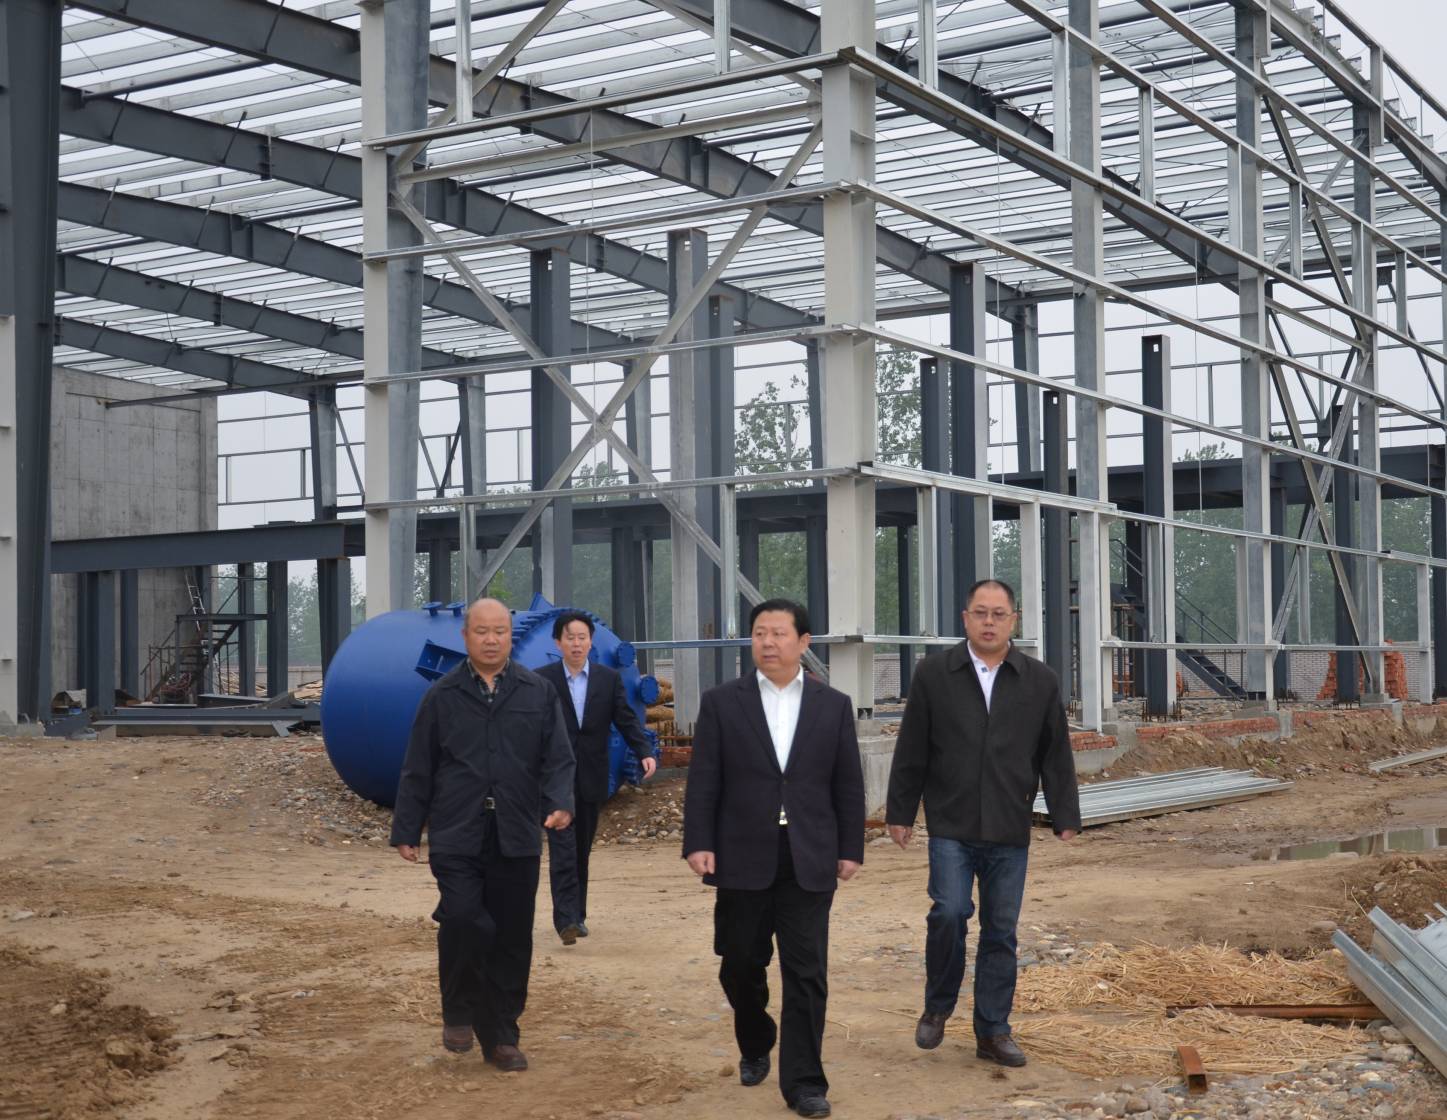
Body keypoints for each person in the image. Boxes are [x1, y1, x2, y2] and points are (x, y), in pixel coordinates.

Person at [885, 578, 1080, 1068]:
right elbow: (912, 748)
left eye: (998, 614)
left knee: (1000, 932)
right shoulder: (934, 674)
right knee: (949, 912)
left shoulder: (1039, 681)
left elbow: (1055, 753)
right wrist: (900, 812)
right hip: (951, 821)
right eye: (980, 613)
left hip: (1009, 825)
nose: (989, 622)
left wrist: (1065, 814)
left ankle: (993, 1032)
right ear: (965, 618)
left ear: (1014, 620)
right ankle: (938, 1005)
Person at [683, 598, 865, 1120]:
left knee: (806, 971)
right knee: (741, 962)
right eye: (760, 633)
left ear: (803, 642)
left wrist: (849, 848)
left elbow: (847, 783)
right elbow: (704, 779)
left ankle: (805, 1082)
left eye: (779, 633)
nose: (768, 642)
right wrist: (698, 841)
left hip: (809, 855)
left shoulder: (833, 705)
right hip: (741, 853)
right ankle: (756, 1036)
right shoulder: (723, 703)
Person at [390, 597, 575, 1071]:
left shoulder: (537, 692)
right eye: (482, 631)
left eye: (500, 631)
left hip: (516, 831)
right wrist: (407, 827)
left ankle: (502, 1037)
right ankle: (458, 1010)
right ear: (465, 636)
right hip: (457, 830)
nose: (491, 640)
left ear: (511, 636)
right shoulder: (442, 696)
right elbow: (419, 765)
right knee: (465, 918)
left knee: (512, 936)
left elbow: (558, 758)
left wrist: (559, 802)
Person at [537, 610, 657, 944]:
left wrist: (644, 750)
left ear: (591, 642)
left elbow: (625, 719)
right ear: (558, 642)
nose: (576, 644)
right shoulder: (542, 680)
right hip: (555, 779)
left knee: (580, 849)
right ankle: (565, 920)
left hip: (592, 774)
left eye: (582, 637)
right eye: (570, 638)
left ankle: (578, 915)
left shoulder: (608, 679)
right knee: (562, 847)